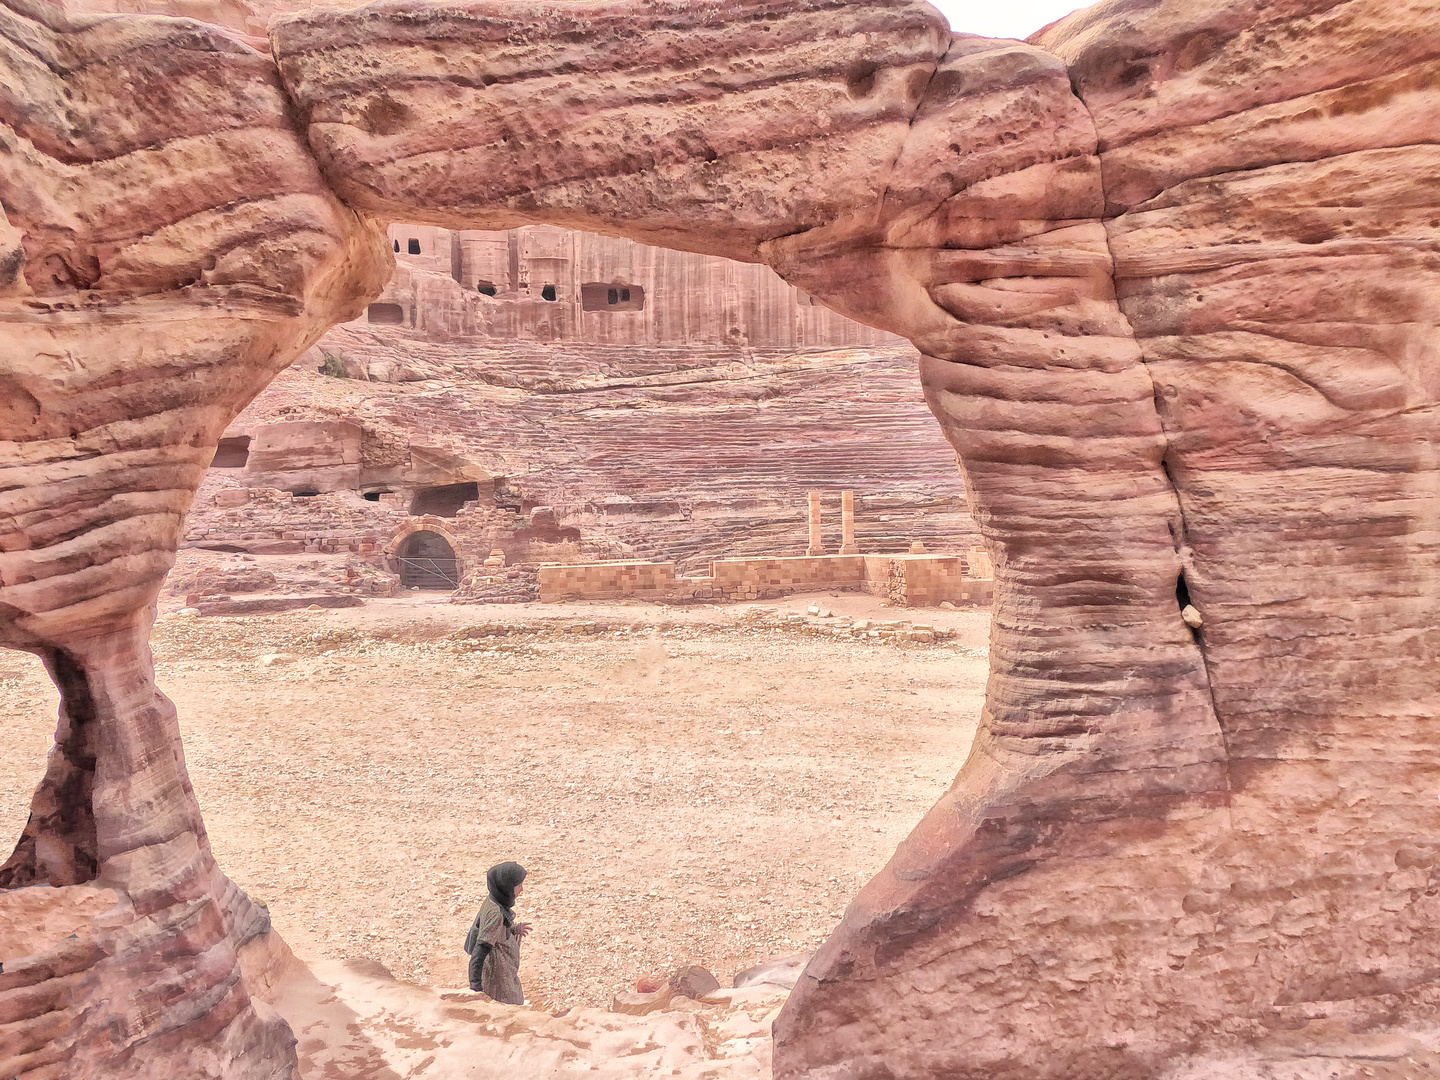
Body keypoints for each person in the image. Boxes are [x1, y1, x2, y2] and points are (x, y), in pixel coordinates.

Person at [464, 861, 531, 1003]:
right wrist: (476, 989)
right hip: (499, 984)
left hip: (504, 977)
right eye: (518, 885)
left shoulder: (494, 900)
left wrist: (513, 930)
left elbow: (494, 931)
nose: (522, 889)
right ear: (507, 886)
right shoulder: (496, 913)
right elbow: (480, 950)